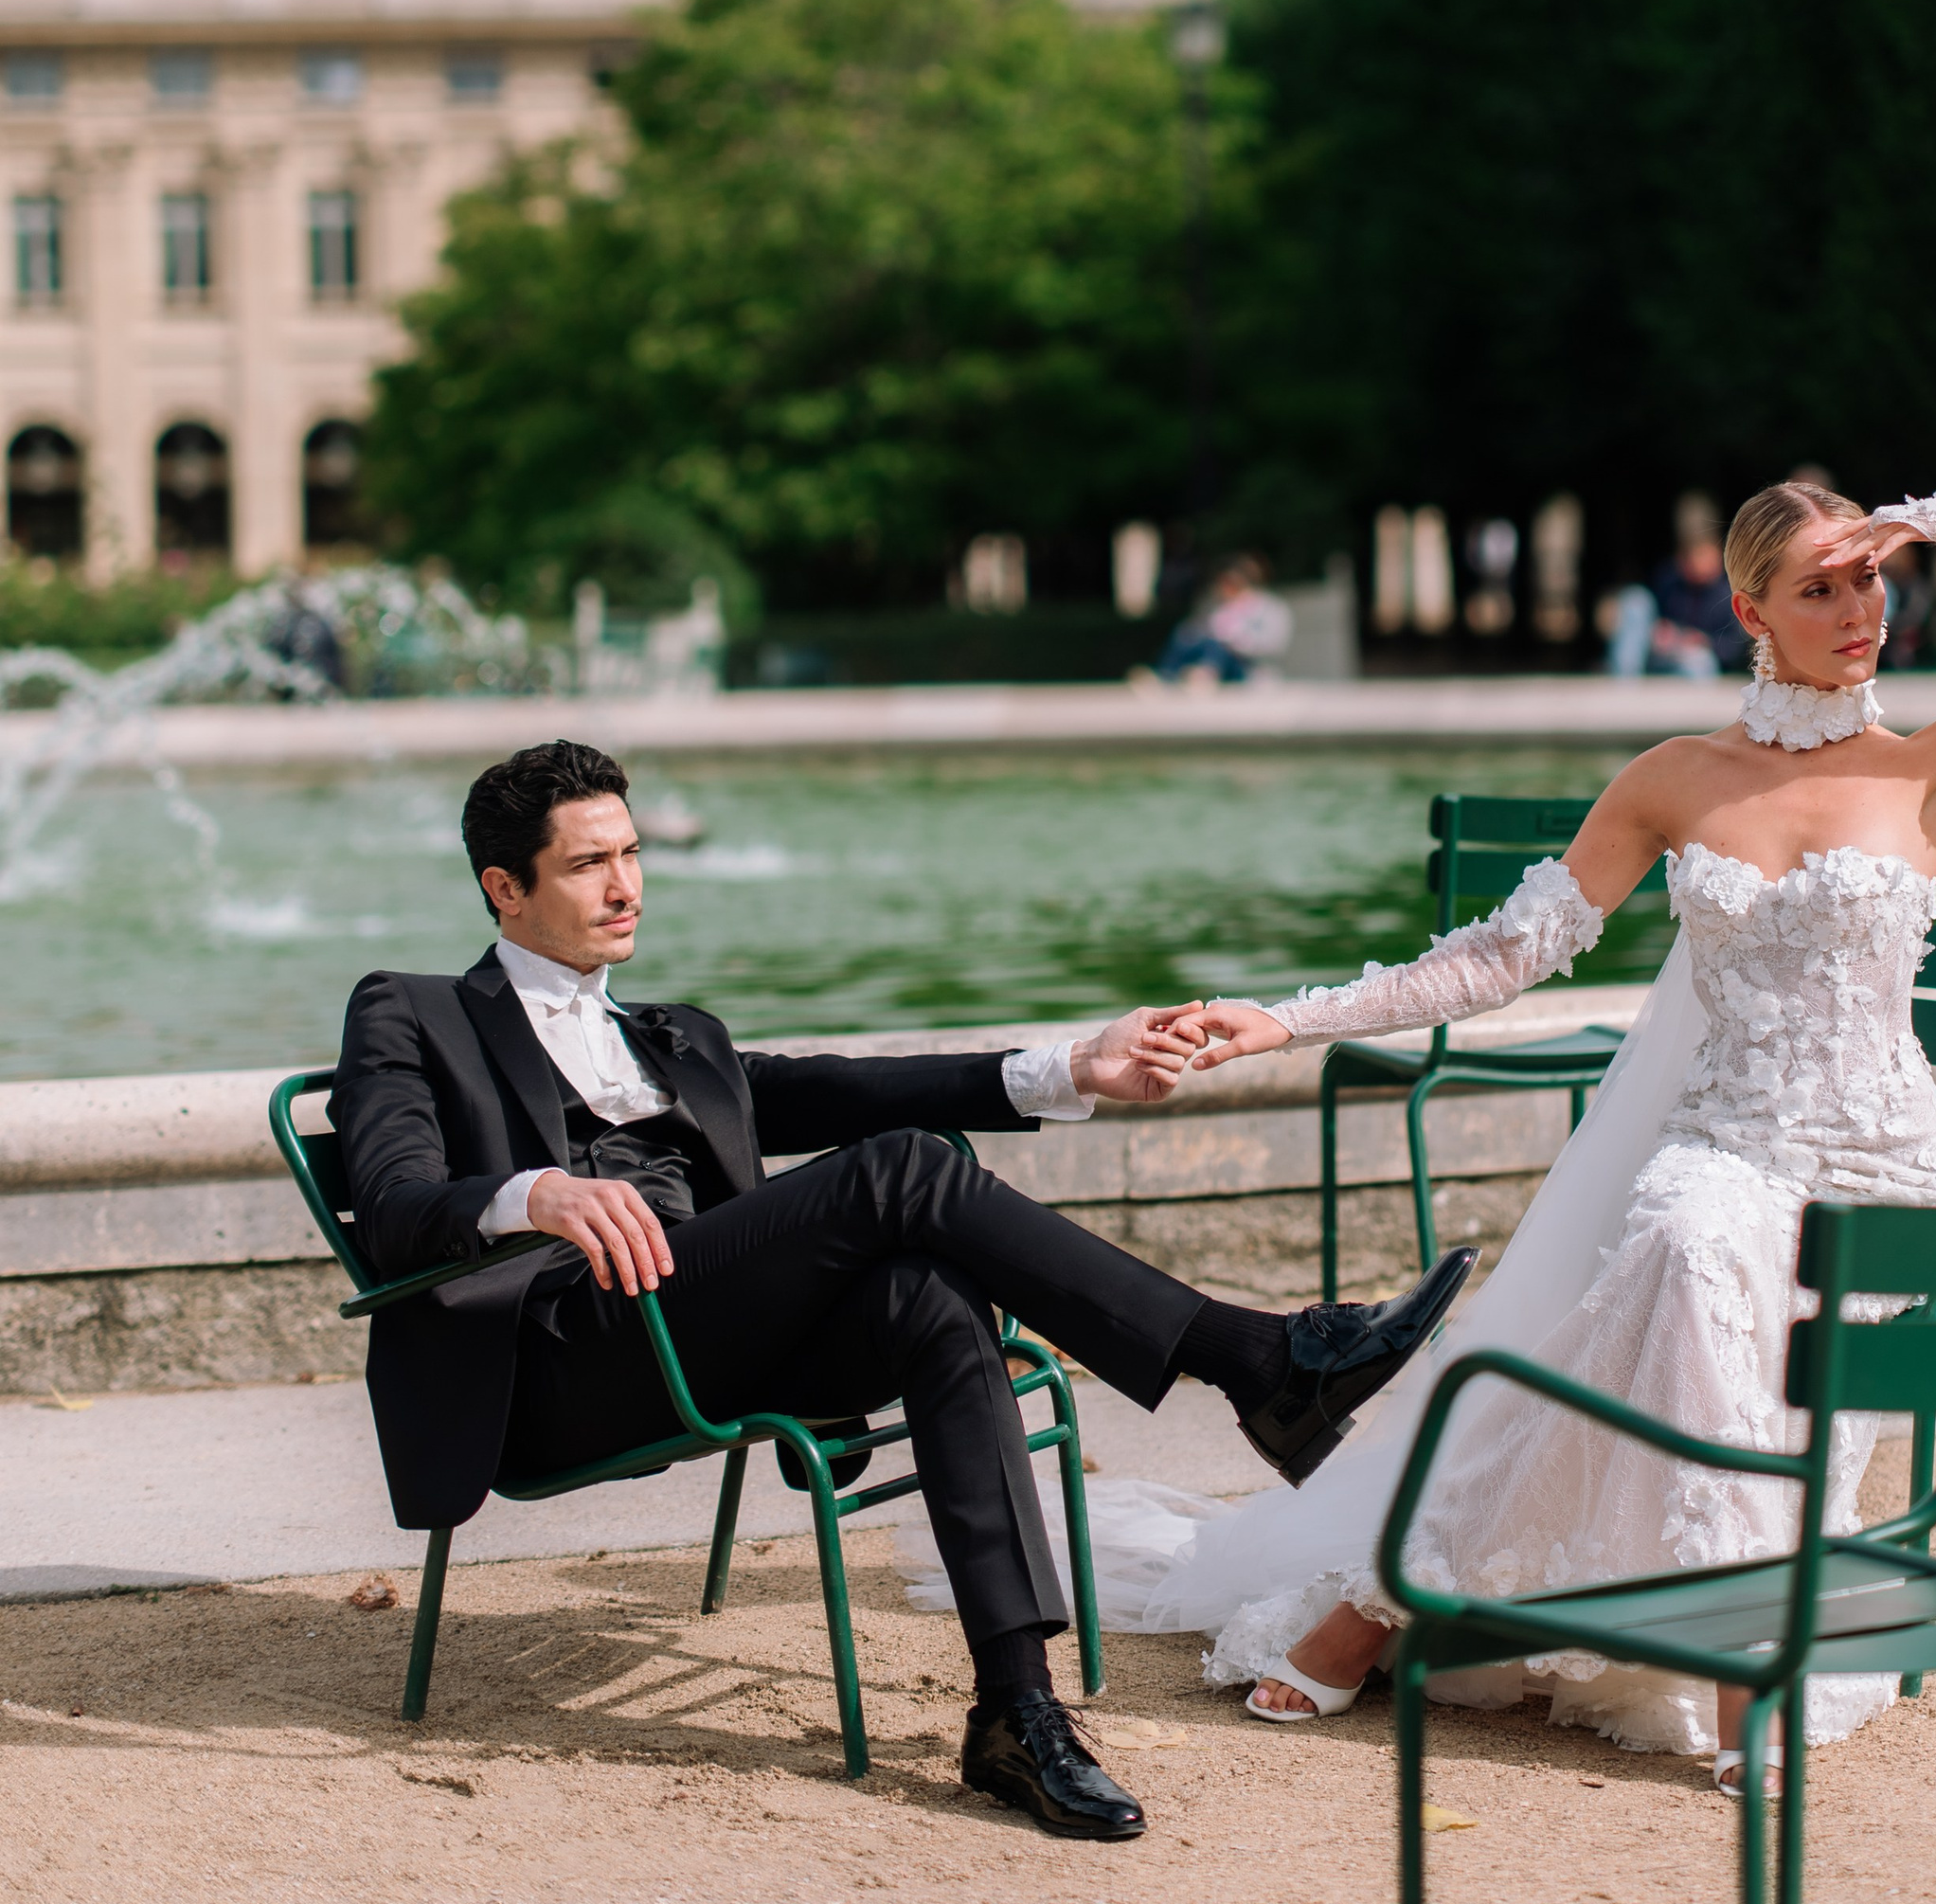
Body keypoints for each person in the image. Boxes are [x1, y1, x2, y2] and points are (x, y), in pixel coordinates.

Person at [1068, 483, 1936, 1798]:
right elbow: (1499, 955)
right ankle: (1737, 1664)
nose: (1856, 610)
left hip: (1878, 1169)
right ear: (1750, 607)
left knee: (1670, 1289)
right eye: (1819, 586)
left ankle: (1377, 1606)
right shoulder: (1674, 778)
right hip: (1725, 1146)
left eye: (1868, 580)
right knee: (1683, 1242)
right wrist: (1286, 1019)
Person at [330, 741, 1473, 1844]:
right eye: (588, 863)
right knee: (912, 1163)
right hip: (567, 1357)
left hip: (713, 1333)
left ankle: (1013, 1709)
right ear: (503, 885)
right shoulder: (414, 1010)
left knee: (928, 1288)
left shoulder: (675, 1034)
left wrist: (1072, 1065)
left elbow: (840, 1086)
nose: (626, 885)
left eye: (632, 853)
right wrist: (532, 1193)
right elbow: (387, 1202)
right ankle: (1256, 1357)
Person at [1605, 494, 1749, 680]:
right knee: (1635, 599)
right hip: (1659, 653)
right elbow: (1649, 620)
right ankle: (1623, 682)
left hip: (1696, 660)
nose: (1694, 562)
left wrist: (1701, 641)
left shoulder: (1728, 593)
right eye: (1689, 556)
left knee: (1699, 663)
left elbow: (1735, 647)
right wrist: (1662, 631)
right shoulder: (1669, 580)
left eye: (1701, 555)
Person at [1154, 556, 1294, 686]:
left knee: (1218, 646)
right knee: (1186, 635)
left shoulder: (1270, 608)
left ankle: (1204, 673)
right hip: (1215, 656)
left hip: (1247, 666)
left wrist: (1238, 640)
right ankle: (1166, 674)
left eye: (1231, 584)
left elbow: (1273, 645)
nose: (1225, 590)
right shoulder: (1218, 606)